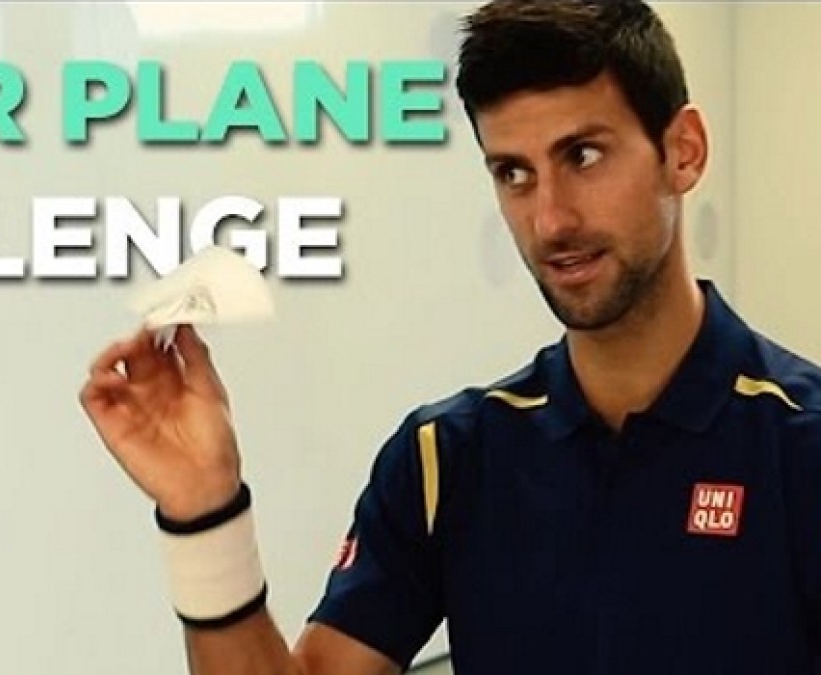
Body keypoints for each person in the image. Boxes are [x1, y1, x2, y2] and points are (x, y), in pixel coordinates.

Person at [79, 0, 821, 673]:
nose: (550, 219)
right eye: (514, 173)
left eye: (583, 156)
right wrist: (205, 512)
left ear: (683, 150)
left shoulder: (801, 444)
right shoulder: (447, 458)